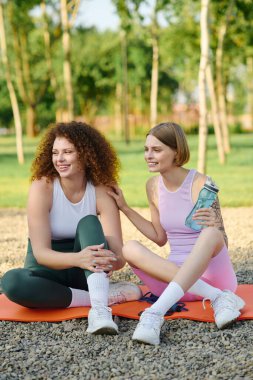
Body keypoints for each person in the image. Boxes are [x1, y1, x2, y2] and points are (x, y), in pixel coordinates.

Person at [109, 122, 245, 345]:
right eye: (146, 149)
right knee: (129, 248)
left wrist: (215, 226)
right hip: (173, 280)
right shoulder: (152, 186)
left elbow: (222, 242)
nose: (148, 155)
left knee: (211, 234)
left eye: (156, 150)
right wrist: (124, 207)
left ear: (176, 152)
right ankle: (218, 298)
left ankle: (154, 314)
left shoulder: (201, 183)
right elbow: (159, 238)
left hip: (212, 275)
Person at [2, 121, 141, 335]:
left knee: (88, 222)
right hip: (47, 270)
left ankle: (100, 311)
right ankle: (101, 298)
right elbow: (40, 254)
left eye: (67, 152)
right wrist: (79, 258)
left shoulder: (102, 190)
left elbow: (120, 258)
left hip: (86, 273)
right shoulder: (42, 187)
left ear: (86, 155)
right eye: (55, 152)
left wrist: (104, 258)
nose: (59, 159)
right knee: (11, 282)